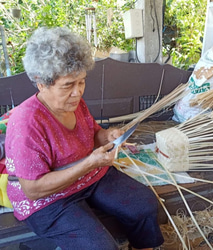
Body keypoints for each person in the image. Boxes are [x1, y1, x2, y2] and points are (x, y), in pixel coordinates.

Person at [5, 27, 164, 250]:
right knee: (100, 247)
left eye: (81, 82)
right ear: (41, 83)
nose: (78, 92)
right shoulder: (26, 122)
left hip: (86, 177)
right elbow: (34, 189)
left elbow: (93, 134)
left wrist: (108, 135)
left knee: (143, 205)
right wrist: (89, 163)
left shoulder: (75, 103)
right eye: (68, 85)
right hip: (47, 199)